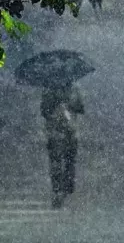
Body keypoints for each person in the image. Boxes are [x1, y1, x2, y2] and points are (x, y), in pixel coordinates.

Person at [40, 81, 85, 209]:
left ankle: (59, 190)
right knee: (66, 161)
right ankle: (63, 190)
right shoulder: (74, 88)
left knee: (58, 161)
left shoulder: (47, 89)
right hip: (68, 131)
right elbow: (81, 108)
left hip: (57, 132)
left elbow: (43, 111)